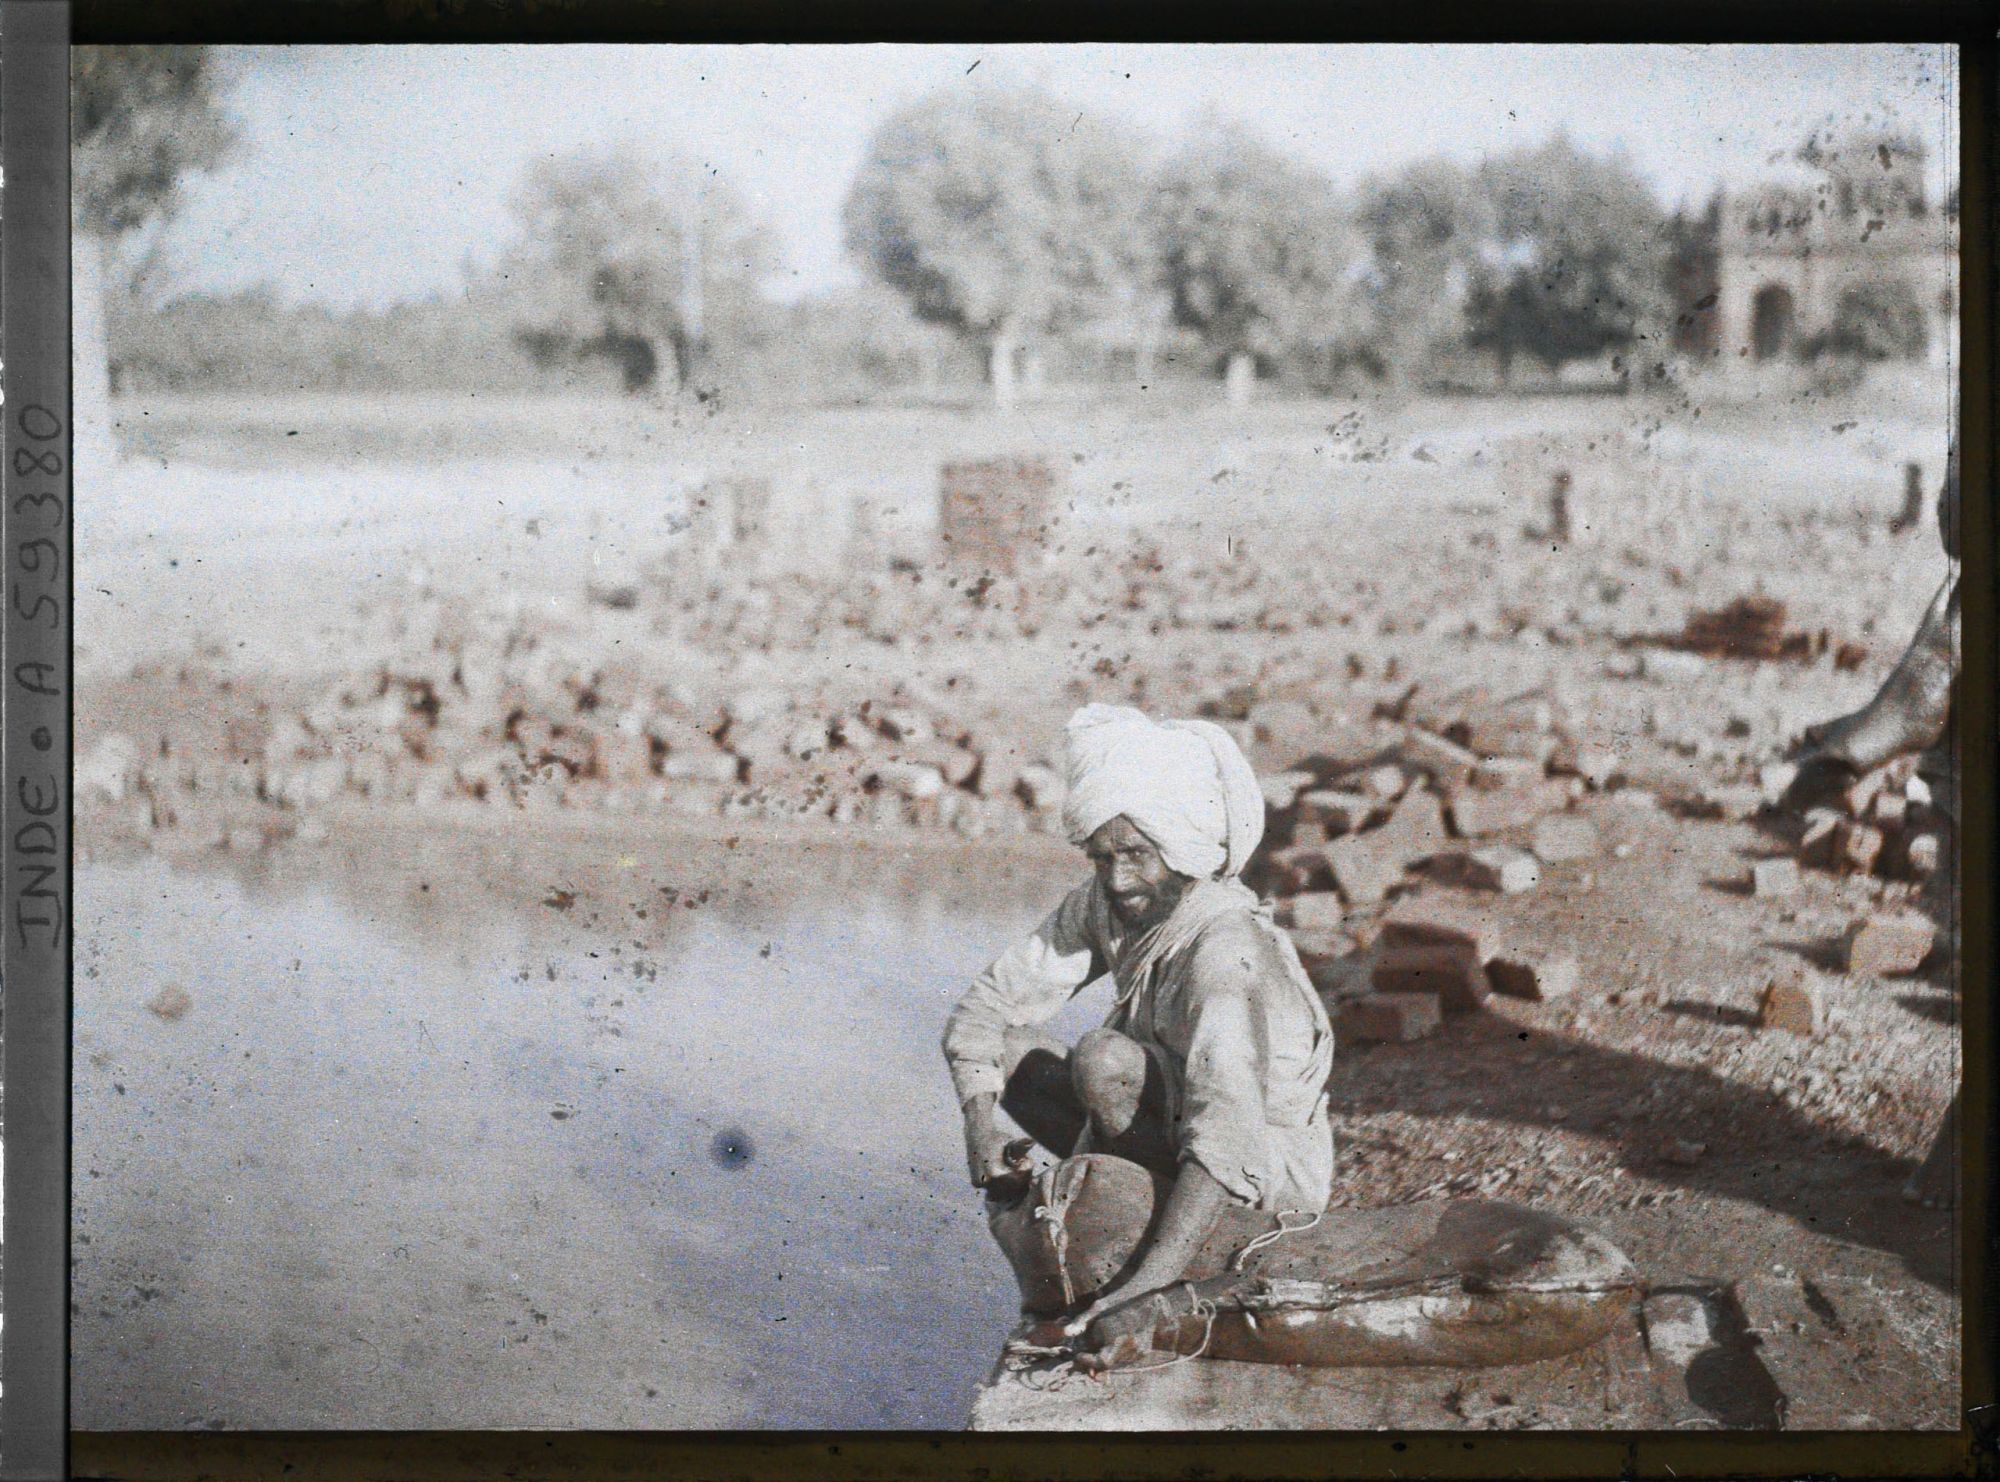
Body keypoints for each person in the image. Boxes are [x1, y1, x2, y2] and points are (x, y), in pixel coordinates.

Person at [942, 703, 1334, 1365]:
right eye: (1103, 857)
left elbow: (1224, 1130)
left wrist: (1146, 1288)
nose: (1119, 879)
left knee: (1102, 1060)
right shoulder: (1107, 901)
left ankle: (1162, 1248)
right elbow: (985, 1011)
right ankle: (1125, 1199)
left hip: (1257, 1169)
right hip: (1171, 1121)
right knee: (1010, 1057)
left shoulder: (1226, 955)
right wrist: (979, 1124)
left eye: (1136, 855)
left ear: (1182, 849)